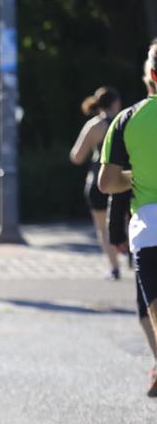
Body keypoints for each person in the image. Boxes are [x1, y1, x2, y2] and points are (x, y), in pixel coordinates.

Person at [98, 40, 157, 397]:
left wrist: (137, 178)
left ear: (151, 75)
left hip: (151, 231)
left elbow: (107, 183)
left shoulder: (127, 119)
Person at [70, 86, 126, 279]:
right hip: (125, 180)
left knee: (103, 228)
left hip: (98, 182)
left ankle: (114, 267)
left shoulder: (94, 126)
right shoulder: (125, 122)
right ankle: (135, 262)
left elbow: (76, 156)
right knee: (130, 223)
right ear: (116, 102)